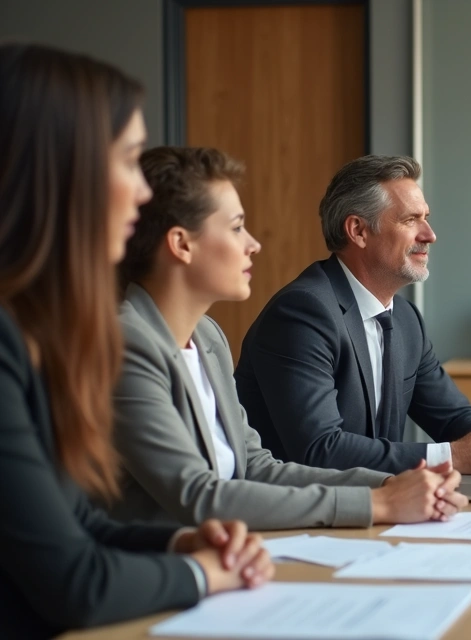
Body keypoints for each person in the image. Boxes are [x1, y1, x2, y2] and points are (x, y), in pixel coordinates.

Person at [0, 44, 272, 638]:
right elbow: (76, 584)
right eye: (126, 162)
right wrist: (204, 574)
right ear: (58, 171)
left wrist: (182, 542)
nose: (143, 193)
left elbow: (77, 523)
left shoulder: (35, 333)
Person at [110, 146, 468, 530]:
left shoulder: (207, 336)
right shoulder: (124, 345)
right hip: (169, 571)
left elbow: (257, 467)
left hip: (235, 555)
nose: (253, 244)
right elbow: (200, 496)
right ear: (181, 244)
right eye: (235, 228)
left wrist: (396, 485)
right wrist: (378, 503)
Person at [235, 155, 471, 474]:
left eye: (426, 218)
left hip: (379, 509)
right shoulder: (303, 313)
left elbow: (453, 416)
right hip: (299, 515)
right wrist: (451, 457)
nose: (429, 234)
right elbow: (319, 450)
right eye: (410, 220)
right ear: (358, 231)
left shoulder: (405, 319)